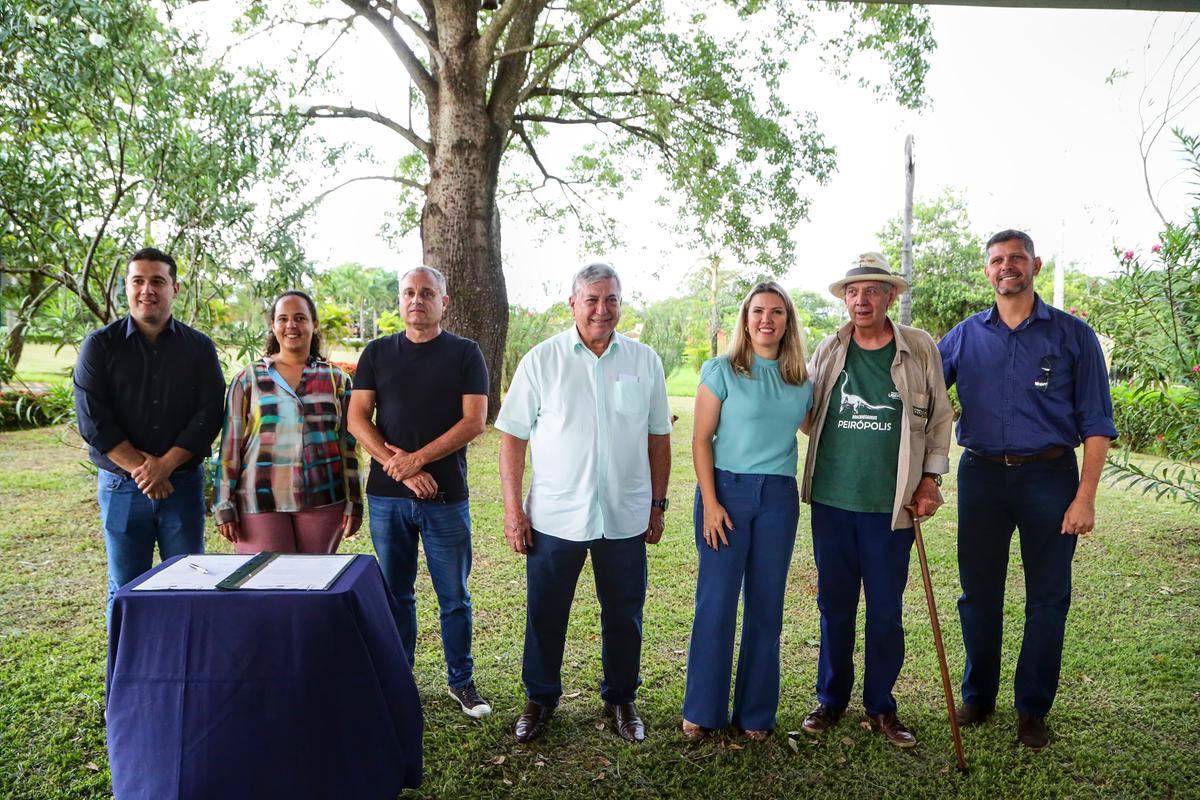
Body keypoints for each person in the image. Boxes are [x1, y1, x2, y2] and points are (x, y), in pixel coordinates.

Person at [939, 229, 1117, 750]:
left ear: (1035, 265)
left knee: (1048, 598)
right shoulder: (965, 336)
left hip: (1050, 477)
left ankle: (1032, 708)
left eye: (1016, 258)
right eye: (997, 260)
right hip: (982, 476)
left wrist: (1085, 497)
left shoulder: (1072, 336)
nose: (1006, 267)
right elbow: (921, 393)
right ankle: (979, 696)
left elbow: (1097, 423)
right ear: (987, 270)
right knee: (978, 594)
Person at [495, 262, 672, 744]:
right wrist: (514, 512)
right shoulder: (541, 360)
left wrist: (658, 504)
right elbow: (512, 439)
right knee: (546, 612)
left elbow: (659, 436)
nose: (601, 309)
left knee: (624, 613)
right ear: (572, 303)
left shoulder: (644, 361)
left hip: (625, 514)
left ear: (620, 303)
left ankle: (620, 698)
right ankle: (540, 698)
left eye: (611, 299)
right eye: (591, 299)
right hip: (555, 517)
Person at [799, 253, 953, 748]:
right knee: (834, 605)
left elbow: (940, 418)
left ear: (891, 296)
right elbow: (806, 410)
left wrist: (929, 480)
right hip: (832, 500)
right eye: (852, 291)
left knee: (885, 610)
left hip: (893, 506)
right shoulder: (829, 347)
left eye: (871, 291)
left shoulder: (919, 347)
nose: (860, 300)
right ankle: (831, 698)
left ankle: (881, 705)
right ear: (845, 298)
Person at [346, 266, 491, 719]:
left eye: (427, 293)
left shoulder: (466, 354)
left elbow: (474, 422)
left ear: (443, 302)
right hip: (388, 497)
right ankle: (399, 678)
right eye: (409, 292)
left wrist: (419, 458)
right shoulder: (376, 352)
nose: (416, 300)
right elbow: (357, 419)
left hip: (447, 496)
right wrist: (404, 470)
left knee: (455, 596)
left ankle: (461, 682)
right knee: (396, 593)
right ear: (399, 300)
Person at [681, 282, 813, 742]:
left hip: (778, 498)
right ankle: (702, 709)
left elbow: (818, 429)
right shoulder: (722, 371)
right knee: (716, 603)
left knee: (766, 607)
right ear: (745, 318)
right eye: (758, 311)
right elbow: (700, 440)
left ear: (787, 321)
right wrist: (712, 503)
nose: (766, 320)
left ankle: (756, 712)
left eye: (776, 312)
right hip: (727, 494)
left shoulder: (801, 379)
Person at [74, 248, 225, 618]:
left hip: (182, 486)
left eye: (157, 281)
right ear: (126, 288)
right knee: (125, 590)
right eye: (138, 281)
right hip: (122, 488)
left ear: (174, 288)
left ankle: (184, 672)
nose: (147, 290)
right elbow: (93, 418)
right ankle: (126, 676)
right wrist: (145, 470)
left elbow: (210, 413)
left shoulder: (199, 348)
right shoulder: (100, 346)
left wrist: (166, 466)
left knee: (189, 585)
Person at [213, 291, 362, 554]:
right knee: (266, 587)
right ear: (273, 325)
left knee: (312, 587)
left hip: (323, 498)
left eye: (300, 318)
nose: (291, 326)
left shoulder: (337, 380)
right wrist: (223, 501)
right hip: (259, 499)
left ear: (314, 325)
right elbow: (230, 446)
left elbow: (349, 446)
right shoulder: (249, 379)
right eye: (283, 319)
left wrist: (355, 500)